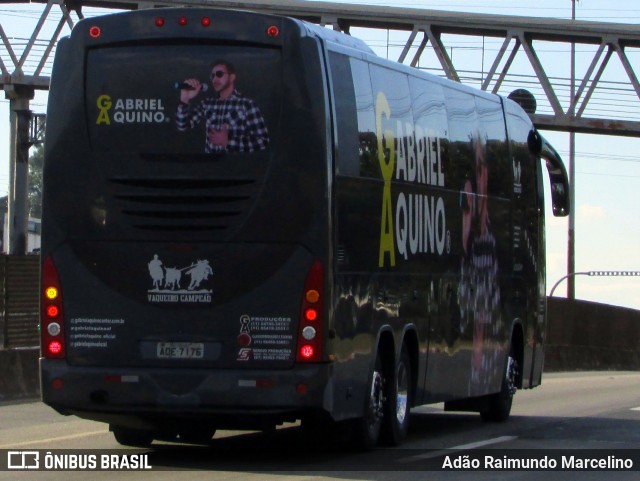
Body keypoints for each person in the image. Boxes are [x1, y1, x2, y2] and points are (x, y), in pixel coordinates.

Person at [176, 60, 269, 153]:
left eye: (219, 74)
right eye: (212, 76)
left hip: (235, 166)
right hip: (209, 165)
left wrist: (228, 142)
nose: (215, 79)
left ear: (232, 77)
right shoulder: (207, 104)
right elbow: (182, 126)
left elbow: (263, 141)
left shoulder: (247, 104)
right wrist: (184, 99)